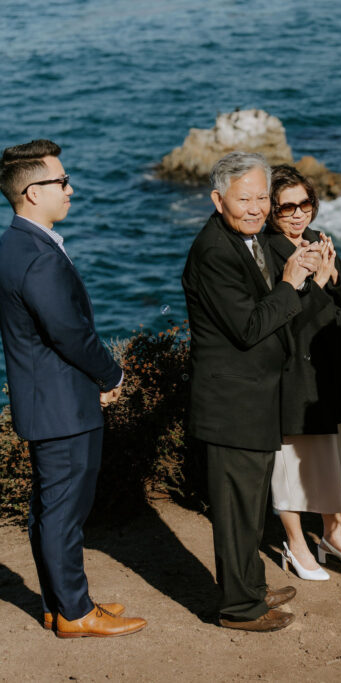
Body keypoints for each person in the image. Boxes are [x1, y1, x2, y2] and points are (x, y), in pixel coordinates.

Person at [0, 139, 147, 637]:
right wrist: (112, 375)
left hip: (46, 402)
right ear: (33, 192)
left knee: (51, 510)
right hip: (62, 406)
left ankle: (62, 603)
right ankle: (74, 614)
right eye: (62, 182)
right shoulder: (38, 255)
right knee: (64, 512)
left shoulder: (15, 243)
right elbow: (69, 332)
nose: (71, 189)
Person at [182, 152, 324, 632]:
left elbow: (269, 304)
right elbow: (247, 328)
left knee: (251, 502)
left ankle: (251, 587)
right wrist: (291, 284)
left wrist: (299, 280)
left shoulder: (251, 238)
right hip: (232, 402)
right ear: (218, 199)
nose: (257, 208)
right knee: (236, 507)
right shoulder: (213, 251)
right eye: (244, 198)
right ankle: (238, 608)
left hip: (258, 395)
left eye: (263, 197)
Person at [263, 165, 341, 580]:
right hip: (293, 372)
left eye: (304, 204)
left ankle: (333, 536)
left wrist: (334, 275)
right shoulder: (267, 251)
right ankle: (296, 543)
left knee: (330, 456)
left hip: (329, 370)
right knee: (289, 462)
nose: (296, 214)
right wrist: (319, 286)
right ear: (272, 210)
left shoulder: (316, 242)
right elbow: (283, 318)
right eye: (286, 206)